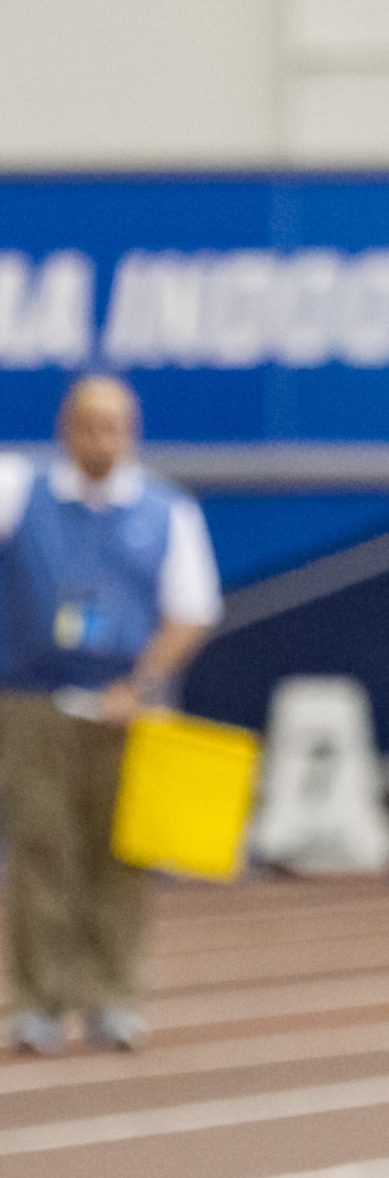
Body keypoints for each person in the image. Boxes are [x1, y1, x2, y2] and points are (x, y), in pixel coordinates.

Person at [0, 375, 223, 1056]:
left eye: (115, 425)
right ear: (68, 428)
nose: (101, 438)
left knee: (120, 855)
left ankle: (114, 995)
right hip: (33, 699)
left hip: (125, 706)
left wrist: (143, 679)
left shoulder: (165, 510)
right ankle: (38, 1001)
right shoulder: (19, 491)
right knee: (41, 851)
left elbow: (194, 610)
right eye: (89, 424)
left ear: (132, 431)